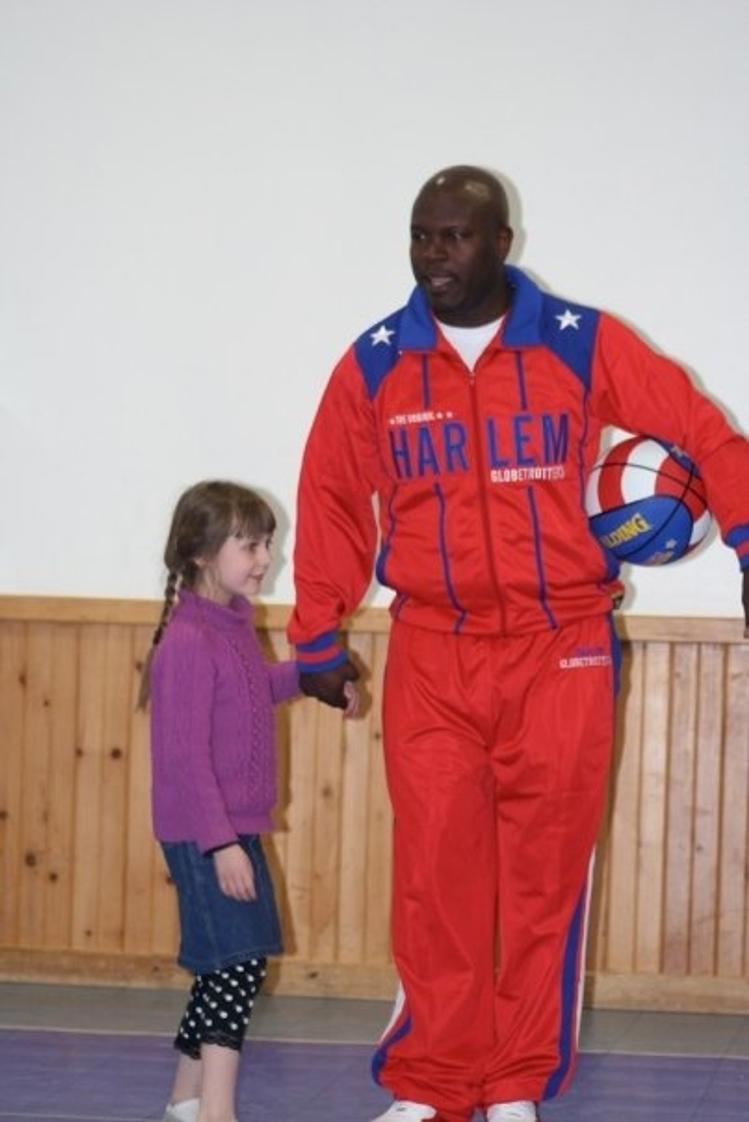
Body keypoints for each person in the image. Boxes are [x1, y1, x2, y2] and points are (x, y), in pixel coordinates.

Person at [288, 166, 749, 1122]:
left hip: (562, 646)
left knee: (541, 883)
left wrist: (745, 539)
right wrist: (314, 632)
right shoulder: (374, 362)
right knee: (435, 875)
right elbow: (331, 496)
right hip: (433, 649)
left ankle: (513, 1085)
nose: (433, 256)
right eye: (420, 236)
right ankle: (431, 1082)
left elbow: (704, 430)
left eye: (454, 237)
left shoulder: (583, 345)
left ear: (503, 243)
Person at [139, 481, 354, 1122]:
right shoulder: (188, 641)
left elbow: (253, 689)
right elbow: (185, 757)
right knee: (237, 967)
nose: (265, 558)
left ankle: (186, 1096)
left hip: (232, 827)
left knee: (227, 965)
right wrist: (220, 843)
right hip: (208, 831)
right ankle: (216, 1111)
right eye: (251, 544)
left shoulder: (231, 625)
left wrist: (313, 679)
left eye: (267, 544)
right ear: (203, 553)